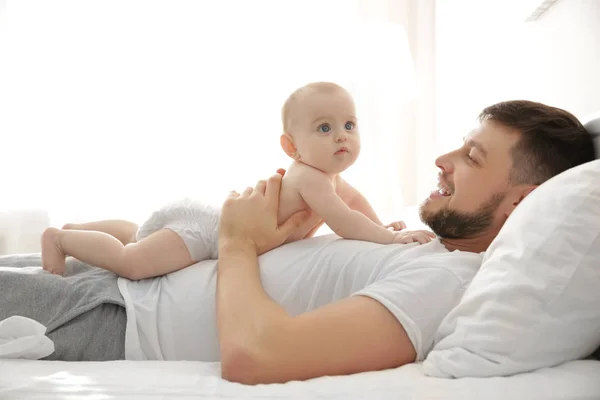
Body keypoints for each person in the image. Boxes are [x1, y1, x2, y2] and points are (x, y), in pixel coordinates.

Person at [0, 100, 595, 385]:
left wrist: (237, 241)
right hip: (119, 286)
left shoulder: (449, 284)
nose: (441, 160)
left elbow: (257, 357)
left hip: (114, 317)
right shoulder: (429, 251)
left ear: (522, 202)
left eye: (470, 156)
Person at [39, 81, 433, 279]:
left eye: (348, 124)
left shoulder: (329, 180)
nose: (342, 136)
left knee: (139, 234)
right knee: (133, 262)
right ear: (291, 146)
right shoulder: (310, 178)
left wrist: (380, 224)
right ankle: (61, 238)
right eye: (324, 128)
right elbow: (343, 220)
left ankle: (79, 227)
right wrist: (389, 239)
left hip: (206, 218)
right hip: (208, 232)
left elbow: (355, 205)